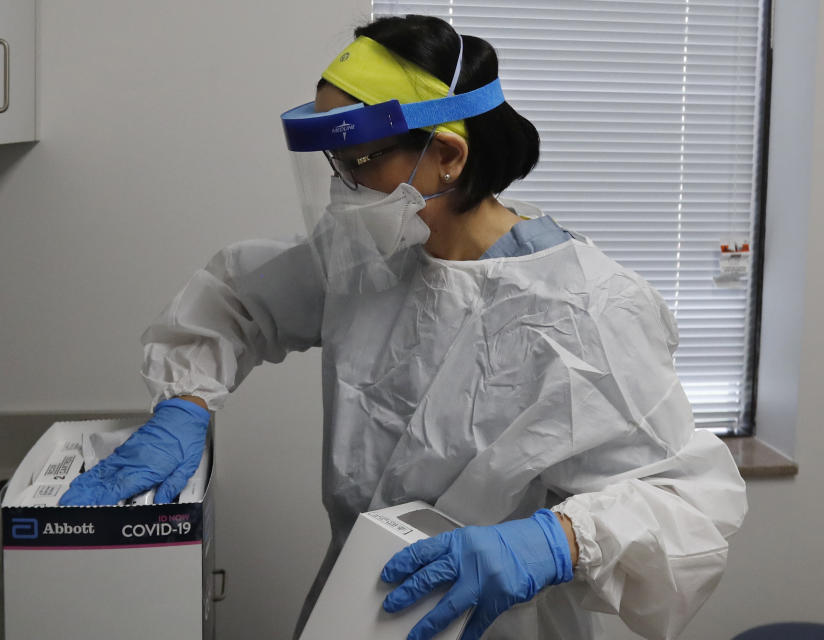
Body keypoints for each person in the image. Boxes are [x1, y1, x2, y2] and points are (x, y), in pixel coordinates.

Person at [61, 14, 748, 640]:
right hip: (358, 613)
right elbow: (238, 299)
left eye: (361, 161)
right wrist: (185, 402)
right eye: (336, 163)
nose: (344, 188)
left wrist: (558, 540)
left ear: (448, 156)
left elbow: (691, 500)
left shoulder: (587, 309)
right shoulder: (372, 254)